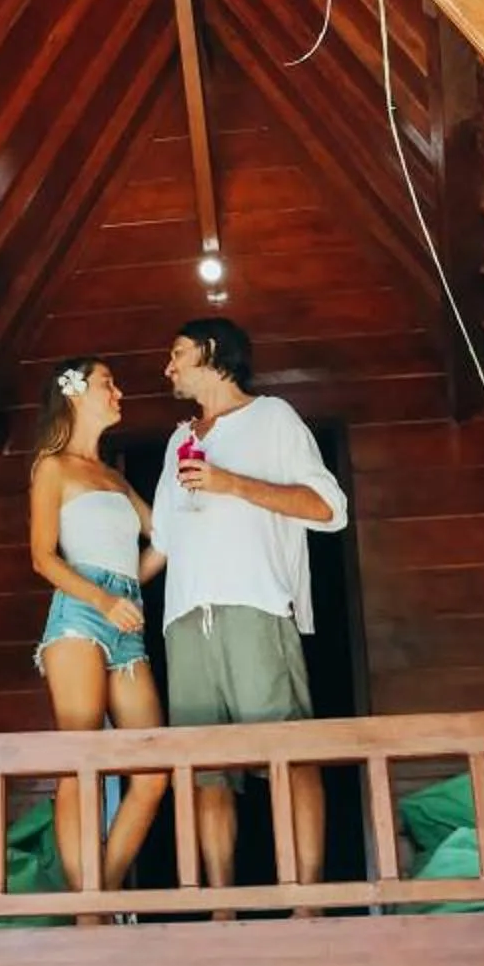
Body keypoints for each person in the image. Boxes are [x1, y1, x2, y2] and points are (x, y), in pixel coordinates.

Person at [153, 317, 348, 893]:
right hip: (184, 620)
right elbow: (162, 543)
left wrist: (231, 483)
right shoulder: (175, 440)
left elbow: (329, 509)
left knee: (287, 754)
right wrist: (99, 594)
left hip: (255, 605)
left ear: (212, 353)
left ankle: (306, 905)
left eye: (177, 353)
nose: (168, 368)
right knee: (205, 771)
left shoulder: (274, 418)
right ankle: (219, 911)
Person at [28, 356, 169, 892]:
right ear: (75, 392)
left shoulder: (113, 475)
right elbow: (43, 557)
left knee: (152, 773)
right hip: (81, 614)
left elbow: (163, 538)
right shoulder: (52, 466)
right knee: (81, 758)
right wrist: (106, 600)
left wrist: (131, 586)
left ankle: (98, 897)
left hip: (124, 619)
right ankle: (91, 910)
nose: (118, 392)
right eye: (108, 383)